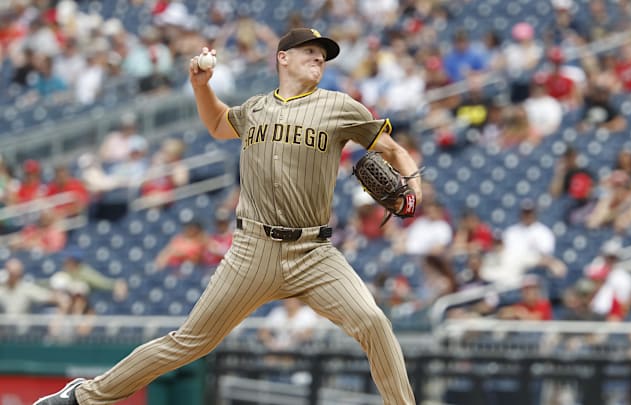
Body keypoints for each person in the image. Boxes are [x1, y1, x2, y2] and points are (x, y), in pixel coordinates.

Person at [35, 28, 420, 405]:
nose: (319, 57)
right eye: (310, 50)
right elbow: (218, 124)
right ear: (282, 58)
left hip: (314, 253)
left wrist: (413, 190)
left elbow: (392, 149)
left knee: (373, 323)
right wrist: (201, 86)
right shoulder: (255, 108)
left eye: (323, 54)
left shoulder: (340, 107)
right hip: (253, 250)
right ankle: (83, 397)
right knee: (189, 342)